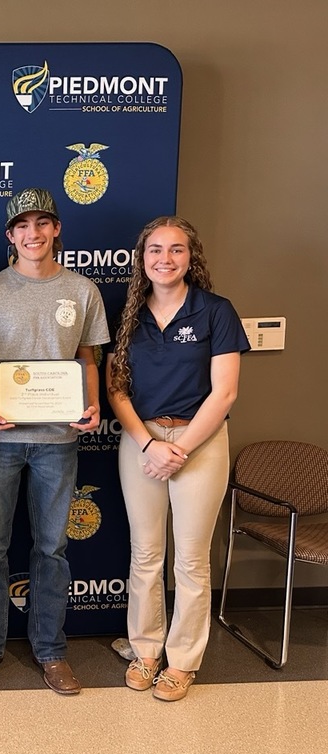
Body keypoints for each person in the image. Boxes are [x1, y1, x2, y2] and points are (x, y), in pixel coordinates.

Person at [0, 188, 109, 695]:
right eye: (23, 226)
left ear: (57, 229)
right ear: (10, 235)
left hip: (58, 439)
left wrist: (93, 405)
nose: (33, 233)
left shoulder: (82, 291)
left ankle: (51, 650)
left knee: (52, 547)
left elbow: (89, 357)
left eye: (43, 223)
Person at [106, 216, 248, 701]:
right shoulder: (128, 315)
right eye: (155, 250)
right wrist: (149, 445)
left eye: (176, 250)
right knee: (145, 555)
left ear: (192, 258)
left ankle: (183, 660)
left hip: (200, 443)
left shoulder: (215, 311)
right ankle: (146, 651)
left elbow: (225, 392)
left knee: (190, 558)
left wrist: (180, 449)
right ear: (141, 259)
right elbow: (115, 389)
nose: (165, 259)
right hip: (141, 441)